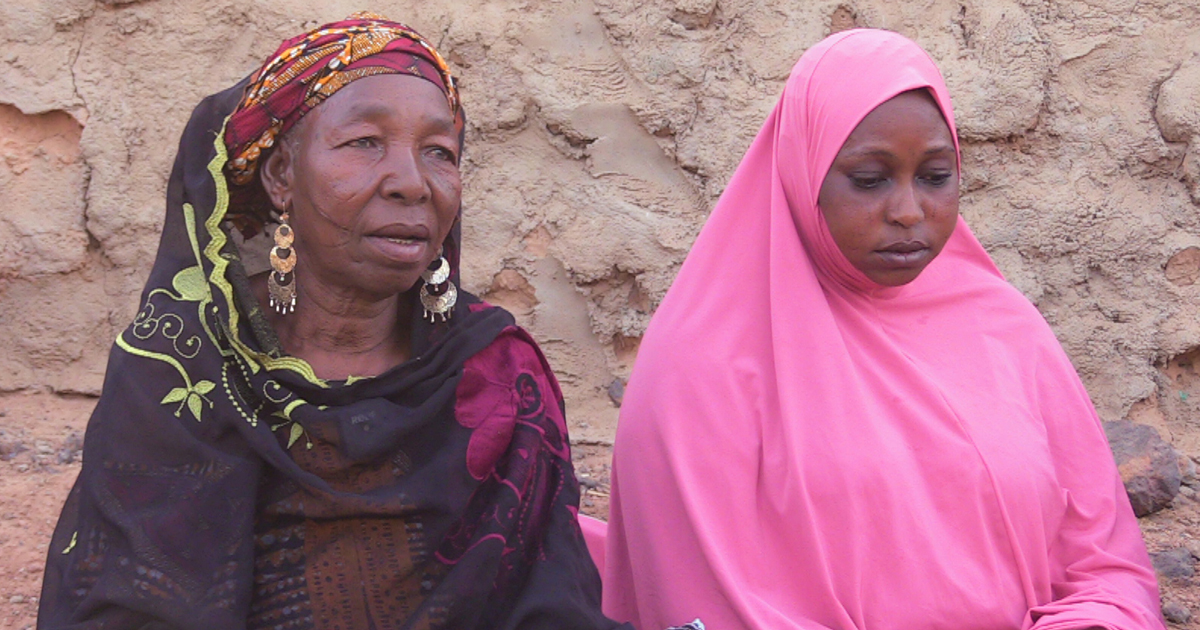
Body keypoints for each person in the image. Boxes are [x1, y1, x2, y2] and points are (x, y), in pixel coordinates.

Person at [38, 14, 626, 630]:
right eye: (364, 143)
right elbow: (126, 604)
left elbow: (549, 603)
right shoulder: (180, 364)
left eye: (439, 153)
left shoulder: (498, 373)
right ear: (281, 177)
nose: (412, 183)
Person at [600, 28, 1166, 630]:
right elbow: (708, 604)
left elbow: (1104, 563)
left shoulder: (1000, 326)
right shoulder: (702, 365)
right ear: (801, 173)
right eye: (869, 180)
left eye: (935, 176)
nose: (907, 211)